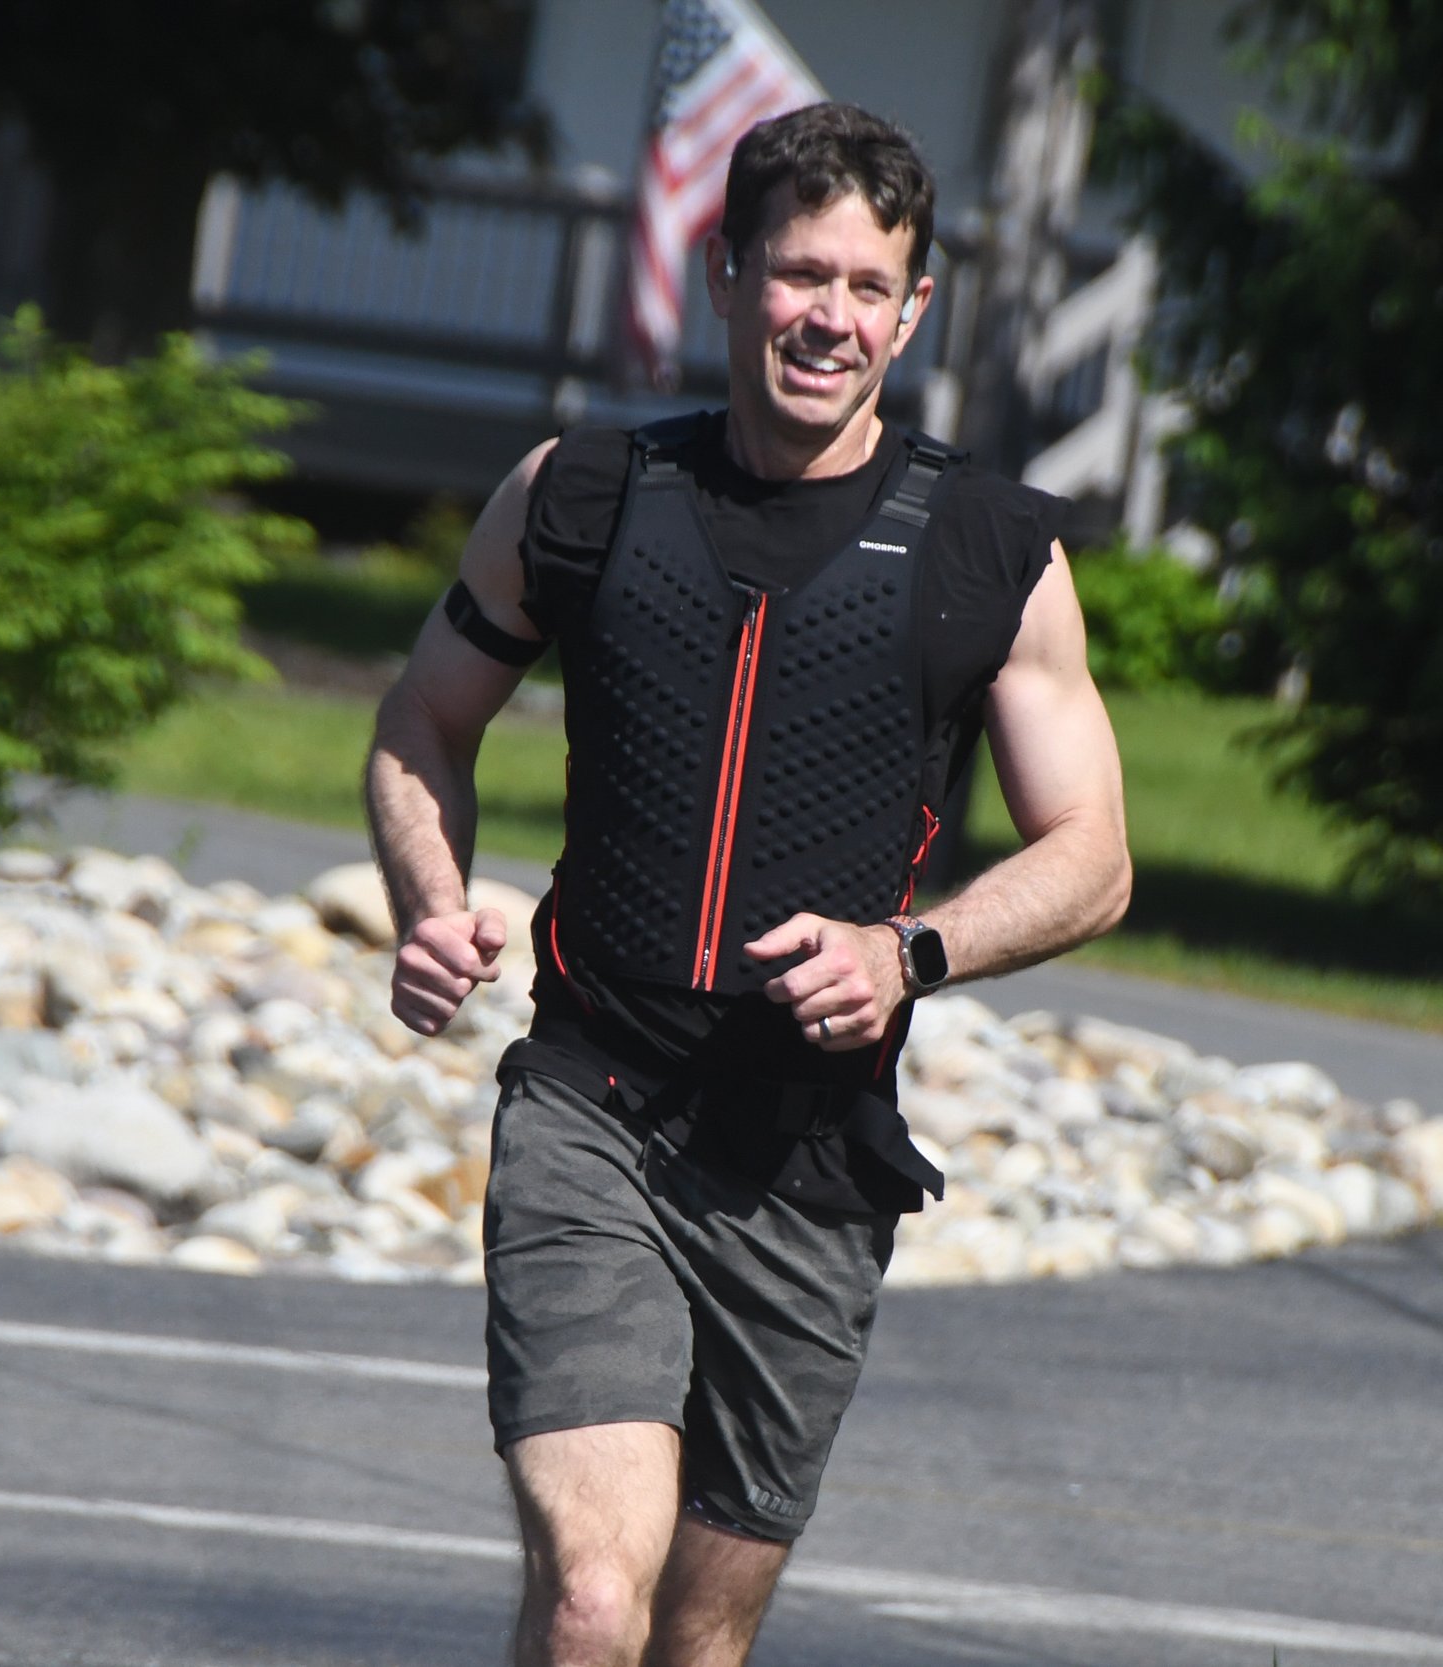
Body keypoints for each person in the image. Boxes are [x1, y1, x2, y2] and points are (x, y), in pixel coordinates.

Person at [365, 101, 1132, 1667]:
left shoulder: (990, 552)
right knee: (595, 1596)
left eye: (867, 286)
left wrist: (908, 954)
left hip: (807, 1163)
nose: (828, 316)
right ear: (726, 276)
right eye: (799, 274)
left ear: (913, 311)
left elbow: (1095, 858)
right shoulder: (583, 495)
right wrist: (427, 902)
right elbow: (420, 724)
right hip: (592, 1106)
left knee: (697, 1637)